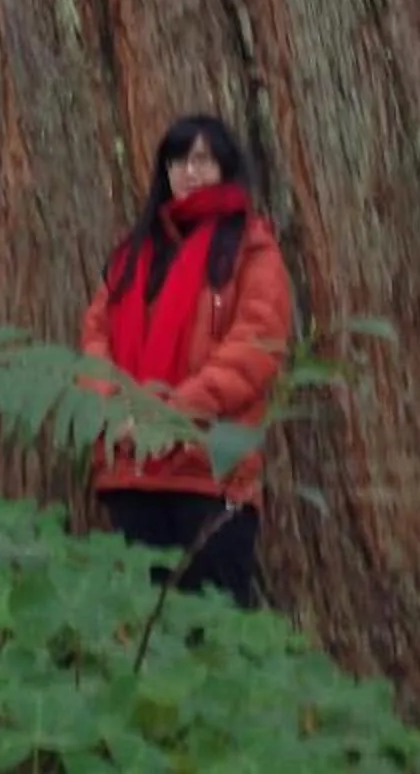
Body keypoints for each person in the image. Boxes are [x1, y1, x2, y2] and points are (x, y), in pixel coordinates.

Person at [79, 111, 291, 607]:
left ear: (225, 168)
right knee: (146, 622)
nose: (189, 172)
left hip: (209, 472)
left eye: (202, 159)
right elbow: (95, 339)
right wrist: (115, 413)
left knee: (217, 624)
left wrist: (170, 414)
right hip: (131, 468)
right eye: (178, 160)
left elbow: (254, 347)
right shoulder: (132, 256)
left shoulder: (251, 250)